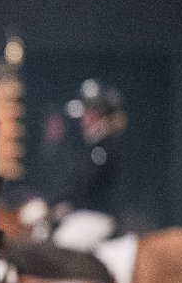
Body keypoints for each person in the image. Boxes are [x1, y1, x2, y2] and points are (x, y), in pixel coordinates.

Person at [49, 79, 125, 249]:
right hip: (82, 213)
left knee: (64, 243)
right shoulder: (92, 147)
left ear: (102, 116)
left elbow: (84, 184)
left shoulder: (106, 147)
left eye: (90, 113)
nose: (84, 120)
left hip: (98, 215)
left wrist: (53, 203)